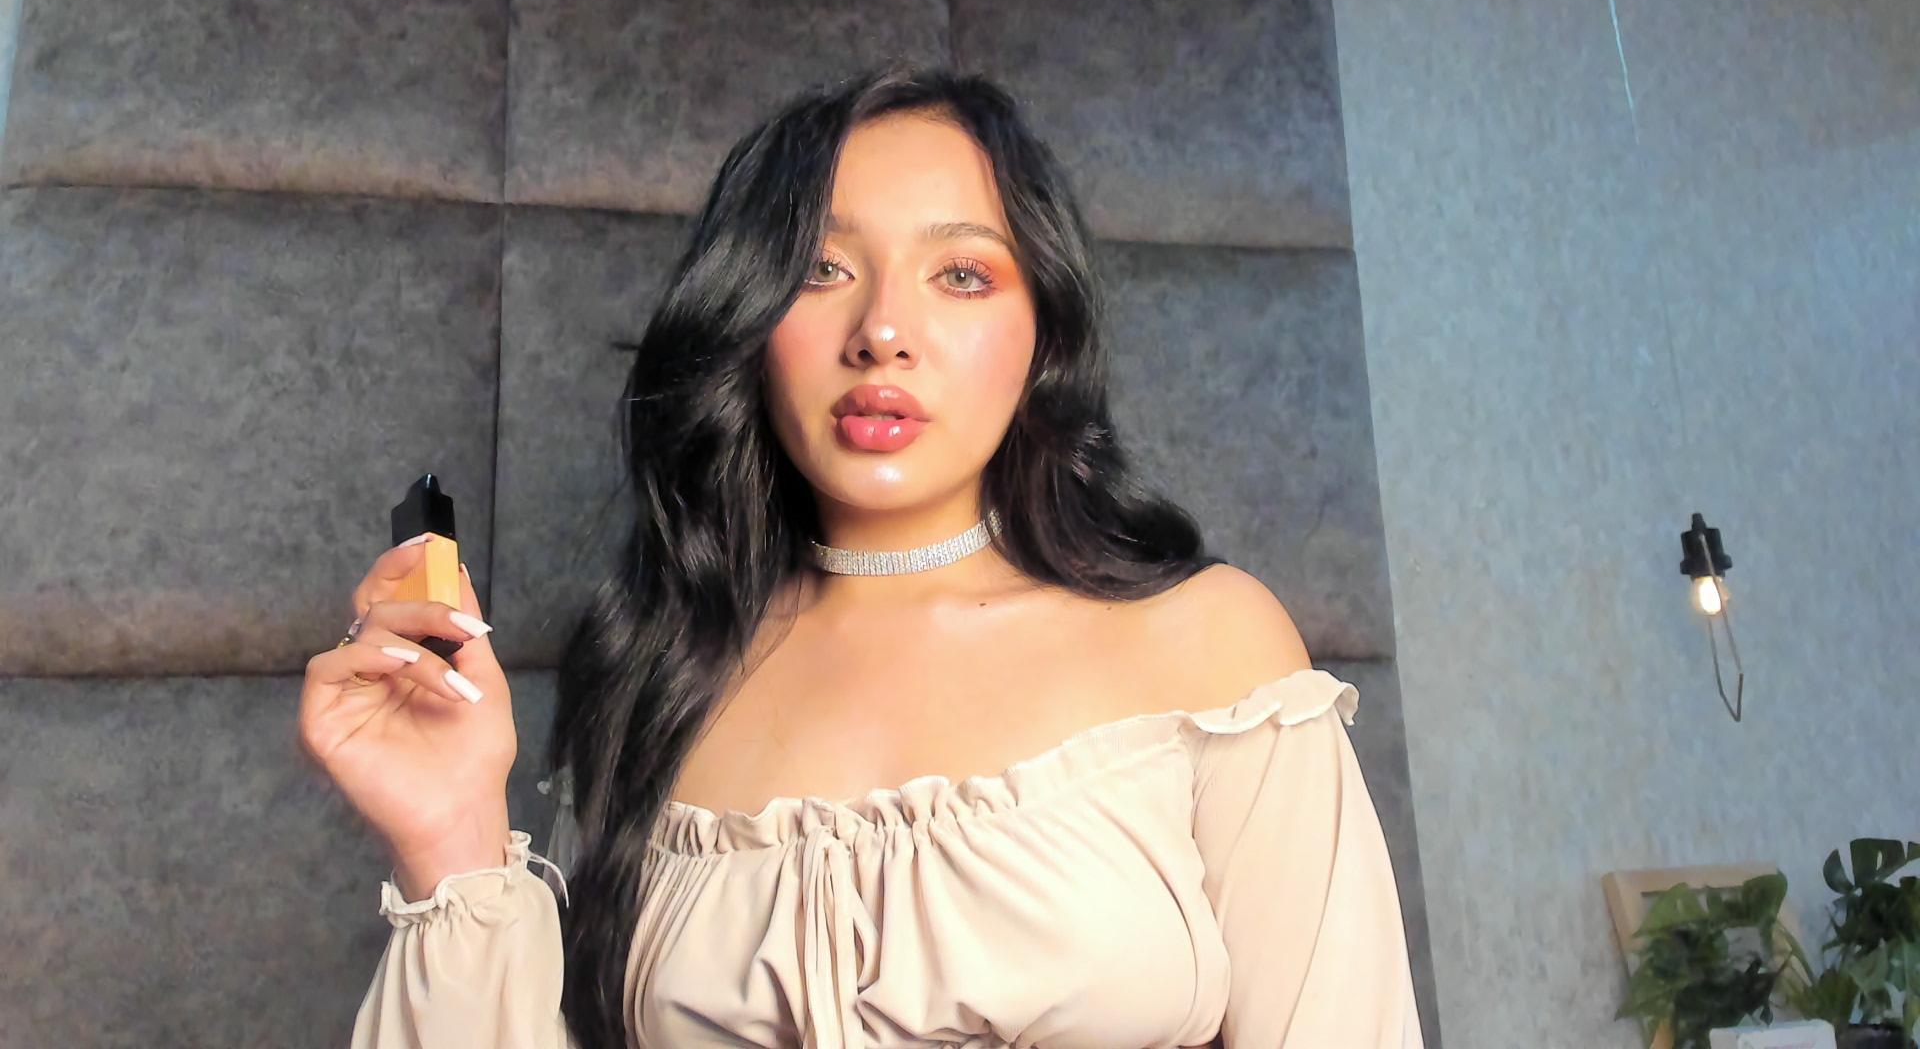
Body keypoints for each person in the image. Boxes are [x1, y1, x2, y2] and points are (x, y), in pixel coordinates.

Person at [300, 62, 1425, 1049]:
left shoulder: (1209, 647)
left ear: (1043, 333)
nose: (882, 330)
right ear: (749, 323)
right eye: (822, 270)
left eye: (962, 275)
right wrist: (450, 835)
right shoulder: (660, 680)